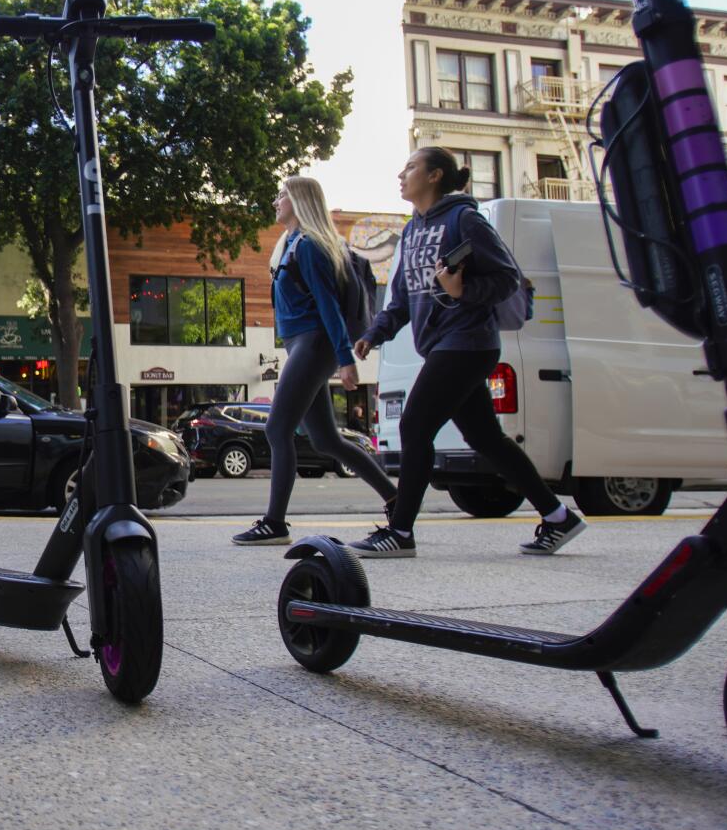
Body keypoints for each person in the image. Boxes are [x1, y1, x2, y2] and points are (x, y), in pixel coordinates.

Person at [350, 147, 585, 557]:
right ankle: (558, 517)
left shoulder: (464, 219)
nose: (401, 175)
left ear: (435, 175)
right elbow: (402, 300)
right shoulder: (411, 231)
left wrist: (464, 290)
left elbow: (508, 278)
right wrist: (375, 333)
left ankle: (400, 533)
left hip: (468, 342)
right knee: (486, 438)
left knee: (415, 427)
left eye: (410, 167)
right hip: (443, 345)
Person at [232, 176, 397, 545]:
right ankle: (396, 499)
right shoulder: (289, 244)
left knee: (277, 429)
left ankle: (274, 523)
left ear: (301, 200)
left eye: (282, 195)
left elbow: (329, 307)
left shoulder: (309, 246)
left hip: (314, 343)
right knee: (326, 440)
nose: (276, 201)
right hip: (301, 344)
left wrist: (345, 359)